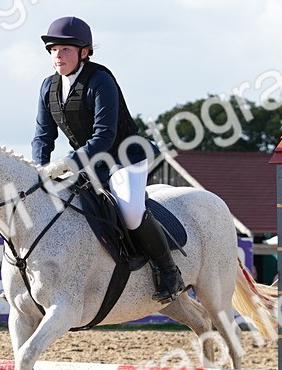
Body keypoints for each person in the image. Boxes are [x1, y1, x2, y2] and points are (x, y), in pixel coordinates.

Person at [32, 16, 183, 302]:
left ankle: (169, 272)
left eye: (65, 49)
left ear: (84, 52)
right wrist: (39, 168)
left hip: (124, 157)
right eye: (53, 50)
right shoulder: (48, 87)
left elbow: (104, 136)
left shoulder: (101, 80)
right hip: (88, 163)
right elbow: (43, 135)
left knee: (130, 211)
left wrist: (66, 164)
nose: (57, 55)